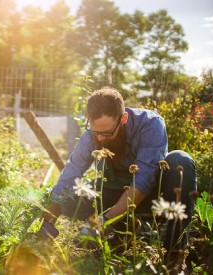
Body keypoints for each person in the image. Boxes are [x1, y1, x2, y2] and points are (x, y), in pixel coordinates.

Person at [37, 87, 197, 263]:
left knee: (180, 160)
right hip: (112, 193)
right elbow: (70, 175)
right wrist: (47, 222)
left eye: (106, 133)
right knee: (68, 195)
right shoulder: (93, 134)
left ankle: (175, 255)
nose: (99, 139)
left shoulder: (150, 124)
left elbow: (143, 182)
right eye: (95, 132)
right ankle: (123, 232)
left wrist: (103, 222)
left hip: (150, 197)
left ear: (124, 119)